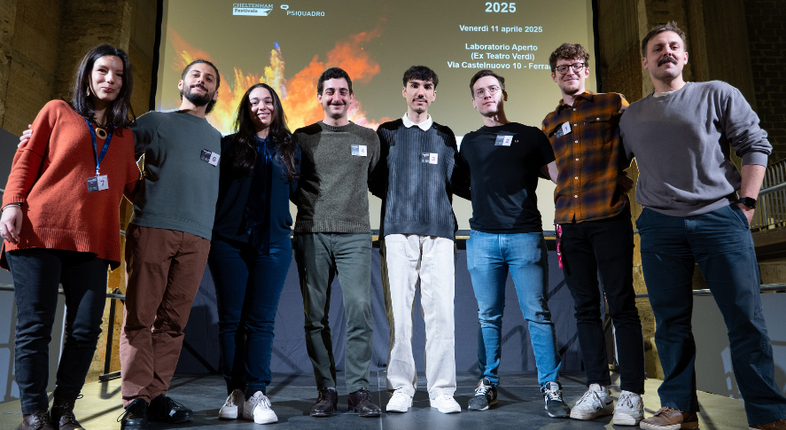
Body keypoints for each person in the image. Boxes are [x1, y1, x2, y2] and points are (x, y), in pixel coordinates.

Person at [619, 21, 786, 430]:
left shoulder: (717, 93)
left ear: (685, 56)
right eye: (657, 48)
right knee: (670, 323)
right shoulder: (631, 116)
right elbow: (615, 168)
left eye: (674, 45)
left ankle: (768, 413)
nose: (666, 52)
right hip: (660, 227)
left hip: (719, 219)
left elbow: (755, 145)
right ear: (645, 62)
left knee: (745, 318)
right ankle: (678, 407)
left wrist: (747, 203)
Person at [0, 44, 139, 430]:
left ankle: (63, 410)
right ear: (87, 75)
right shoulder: (57, 111)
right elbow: (26, 158)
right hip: (39, 231)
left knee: (85, 329)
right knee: (35, 327)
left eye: (118, 74)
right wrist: (11, 203)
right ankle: (34, 415)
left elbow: (135, 187)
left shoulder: (124, 136)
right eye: (102, 71)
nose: (110, 79)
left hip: (92, 241)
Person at [453, 69, 570, 418]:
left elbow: (559, 176)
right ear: (473, 102)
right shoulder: (469, 142)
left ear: (504, 94)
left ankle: (550, 386)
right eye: (480, 91)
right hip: (482, 240)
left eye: (493, 88)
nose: (487, 95)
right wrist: (487, 196)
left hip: (525, 237)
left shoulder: (530, 135)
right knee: (488, 316)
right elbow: (461, 183)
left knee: (538, 314)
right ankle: (487, 383)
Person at [542, 43, 645, 425]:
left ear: (586, 70)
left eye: (576, 65)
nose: (569, 71)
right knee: (585, 308)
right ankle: (598, 389)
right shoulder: (549, 122)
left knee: (621, 303)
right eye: (562, 67)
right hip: (569, 223)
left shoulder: (612, 103)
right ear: (553, 75)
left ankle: (631, 393)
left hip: (609, 216)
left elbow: (638, 143)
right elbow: (554, 170)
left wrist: (620, 177)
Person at [118, 59, 223, 429]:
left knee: (173, 323)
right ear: (181, 83)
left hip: (198, 238)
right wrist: (142, 198)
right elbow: (118, 160)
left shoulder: (216, 138)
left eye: (209, 78)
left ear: (214, 91)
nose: (201, 81)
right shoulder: (155, 121)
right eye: (195, 74)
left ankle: (156, 394)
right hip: (153, 229)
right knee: (139, 317)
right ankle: (135, 400)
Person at [368, 66, 460, 414]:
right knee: (400, 317)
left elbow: (453, 180)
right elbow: (376, 181)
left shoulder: (445, 135)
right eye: (414, 85)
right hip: (397, 232)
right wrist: (403, 201)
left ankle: (442, 390)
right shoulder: (387, 132)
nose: (421, 92)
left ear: (434, 94)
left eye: (427, 86)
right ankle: (401, 387)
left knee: (441, 315)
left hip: (440, 233)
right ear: (404, 91)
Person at [292, 67, 382, 418]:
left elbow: (373, 180)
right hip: (312, 233)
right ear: (320, 97)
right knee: (315, 316)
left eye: (343, 91)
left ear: (351, 96)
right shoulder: (303, 137)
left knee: (359, 309)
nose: (336, 97)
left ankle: (358, 390)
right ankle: (326, 389)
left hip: (355, 234)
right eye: (329, 91)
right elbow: (293, 184)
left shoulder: (369, 138)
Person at [208, 83, 300, 425]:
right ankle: (235, 391)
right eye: (254, 101)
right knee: (231, 320)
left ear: (276, 106)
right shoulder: (228, 146)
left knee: (261, 321)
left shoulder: (290, 148)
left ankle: (257, 393)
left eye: (268, 100)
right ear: (245, 109)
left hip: (274, 244)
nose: (262, 106)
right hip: (228, 242)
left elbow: (296, 190)